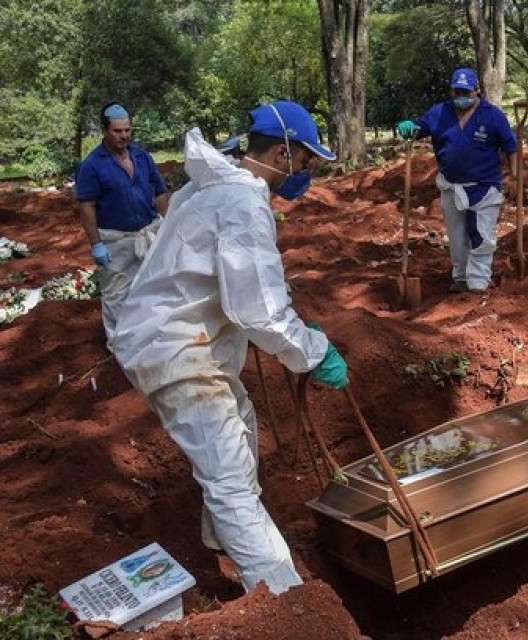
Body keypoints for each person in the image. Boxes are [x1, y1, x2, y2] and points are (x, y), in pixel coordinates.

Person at [111, 101, 349, 595]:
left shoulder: (212, 187)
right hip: (175, 347)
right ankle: (287, 601)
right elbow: (258, 310)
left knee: (241, 424)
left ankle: (225, 553)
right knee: (229, 479)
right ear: (282, 153)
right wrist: (312, 350)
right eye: (306, 162)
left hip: (179, 335)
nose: (306, 173)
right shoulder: (241, 204)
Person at [396, 67, 519, 294]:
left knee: (481, 235)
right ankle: (461, 277)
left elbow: (511, 148)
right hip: (451, 185)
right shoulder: (439, 113)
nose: (461, 97)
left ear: (476, 91)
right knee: (456, 236)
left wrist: (514, 177)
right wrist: (410, 128)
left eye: (466, 92)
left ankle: (478, 282)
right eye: (456, 92)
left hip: (484, 186)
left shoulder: (492, 116)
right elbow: (419, 127)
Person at [75, 102, 169, 343]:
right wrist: (96, 243)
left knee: (151, 286)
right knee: (116, 294)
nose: (124, 135)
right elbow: (86, 205)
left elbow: (159, 192)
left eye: (127, 130)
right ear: (104, 131)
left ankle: (149, 336)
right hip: (115, 240)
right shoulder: (93, 165)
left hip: (147, 233)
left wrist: (169, 225)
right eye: (118, 131)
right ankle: (119, 344)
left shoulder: (142, 157)